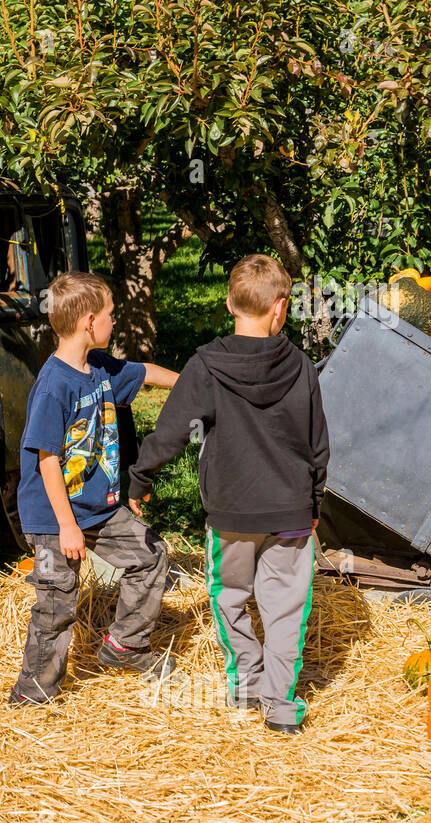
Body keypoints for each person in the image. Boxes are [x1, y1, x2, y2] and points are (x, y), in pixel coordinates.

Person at [127, 254, 329, 734]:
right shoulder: (301, 365)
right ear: (280, 309)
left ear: (227, 304)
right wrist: (315, 500)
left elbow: (173, 430)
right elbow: (318, 443)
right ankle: (281, 708)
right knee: (286, 611)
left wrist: (141, 477)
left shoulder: (206, 365)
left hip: (232, 512)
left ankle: (245, 682)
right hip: (291, 511)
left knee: (228, 596)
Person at [8, 271, 180, 706]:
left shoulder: (99, 368)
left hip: (98, 509)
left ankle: (125, 645)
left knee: (151, 555)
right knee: (56, 603)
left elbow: (145, 374)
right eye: (109, 315)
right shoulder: (54, 385)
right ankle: (33, 695)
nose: (114, 322)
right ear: (88, 322)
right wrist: (67, 527)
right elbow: (47, 461)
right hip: (54, 516)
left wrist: (196, 386)